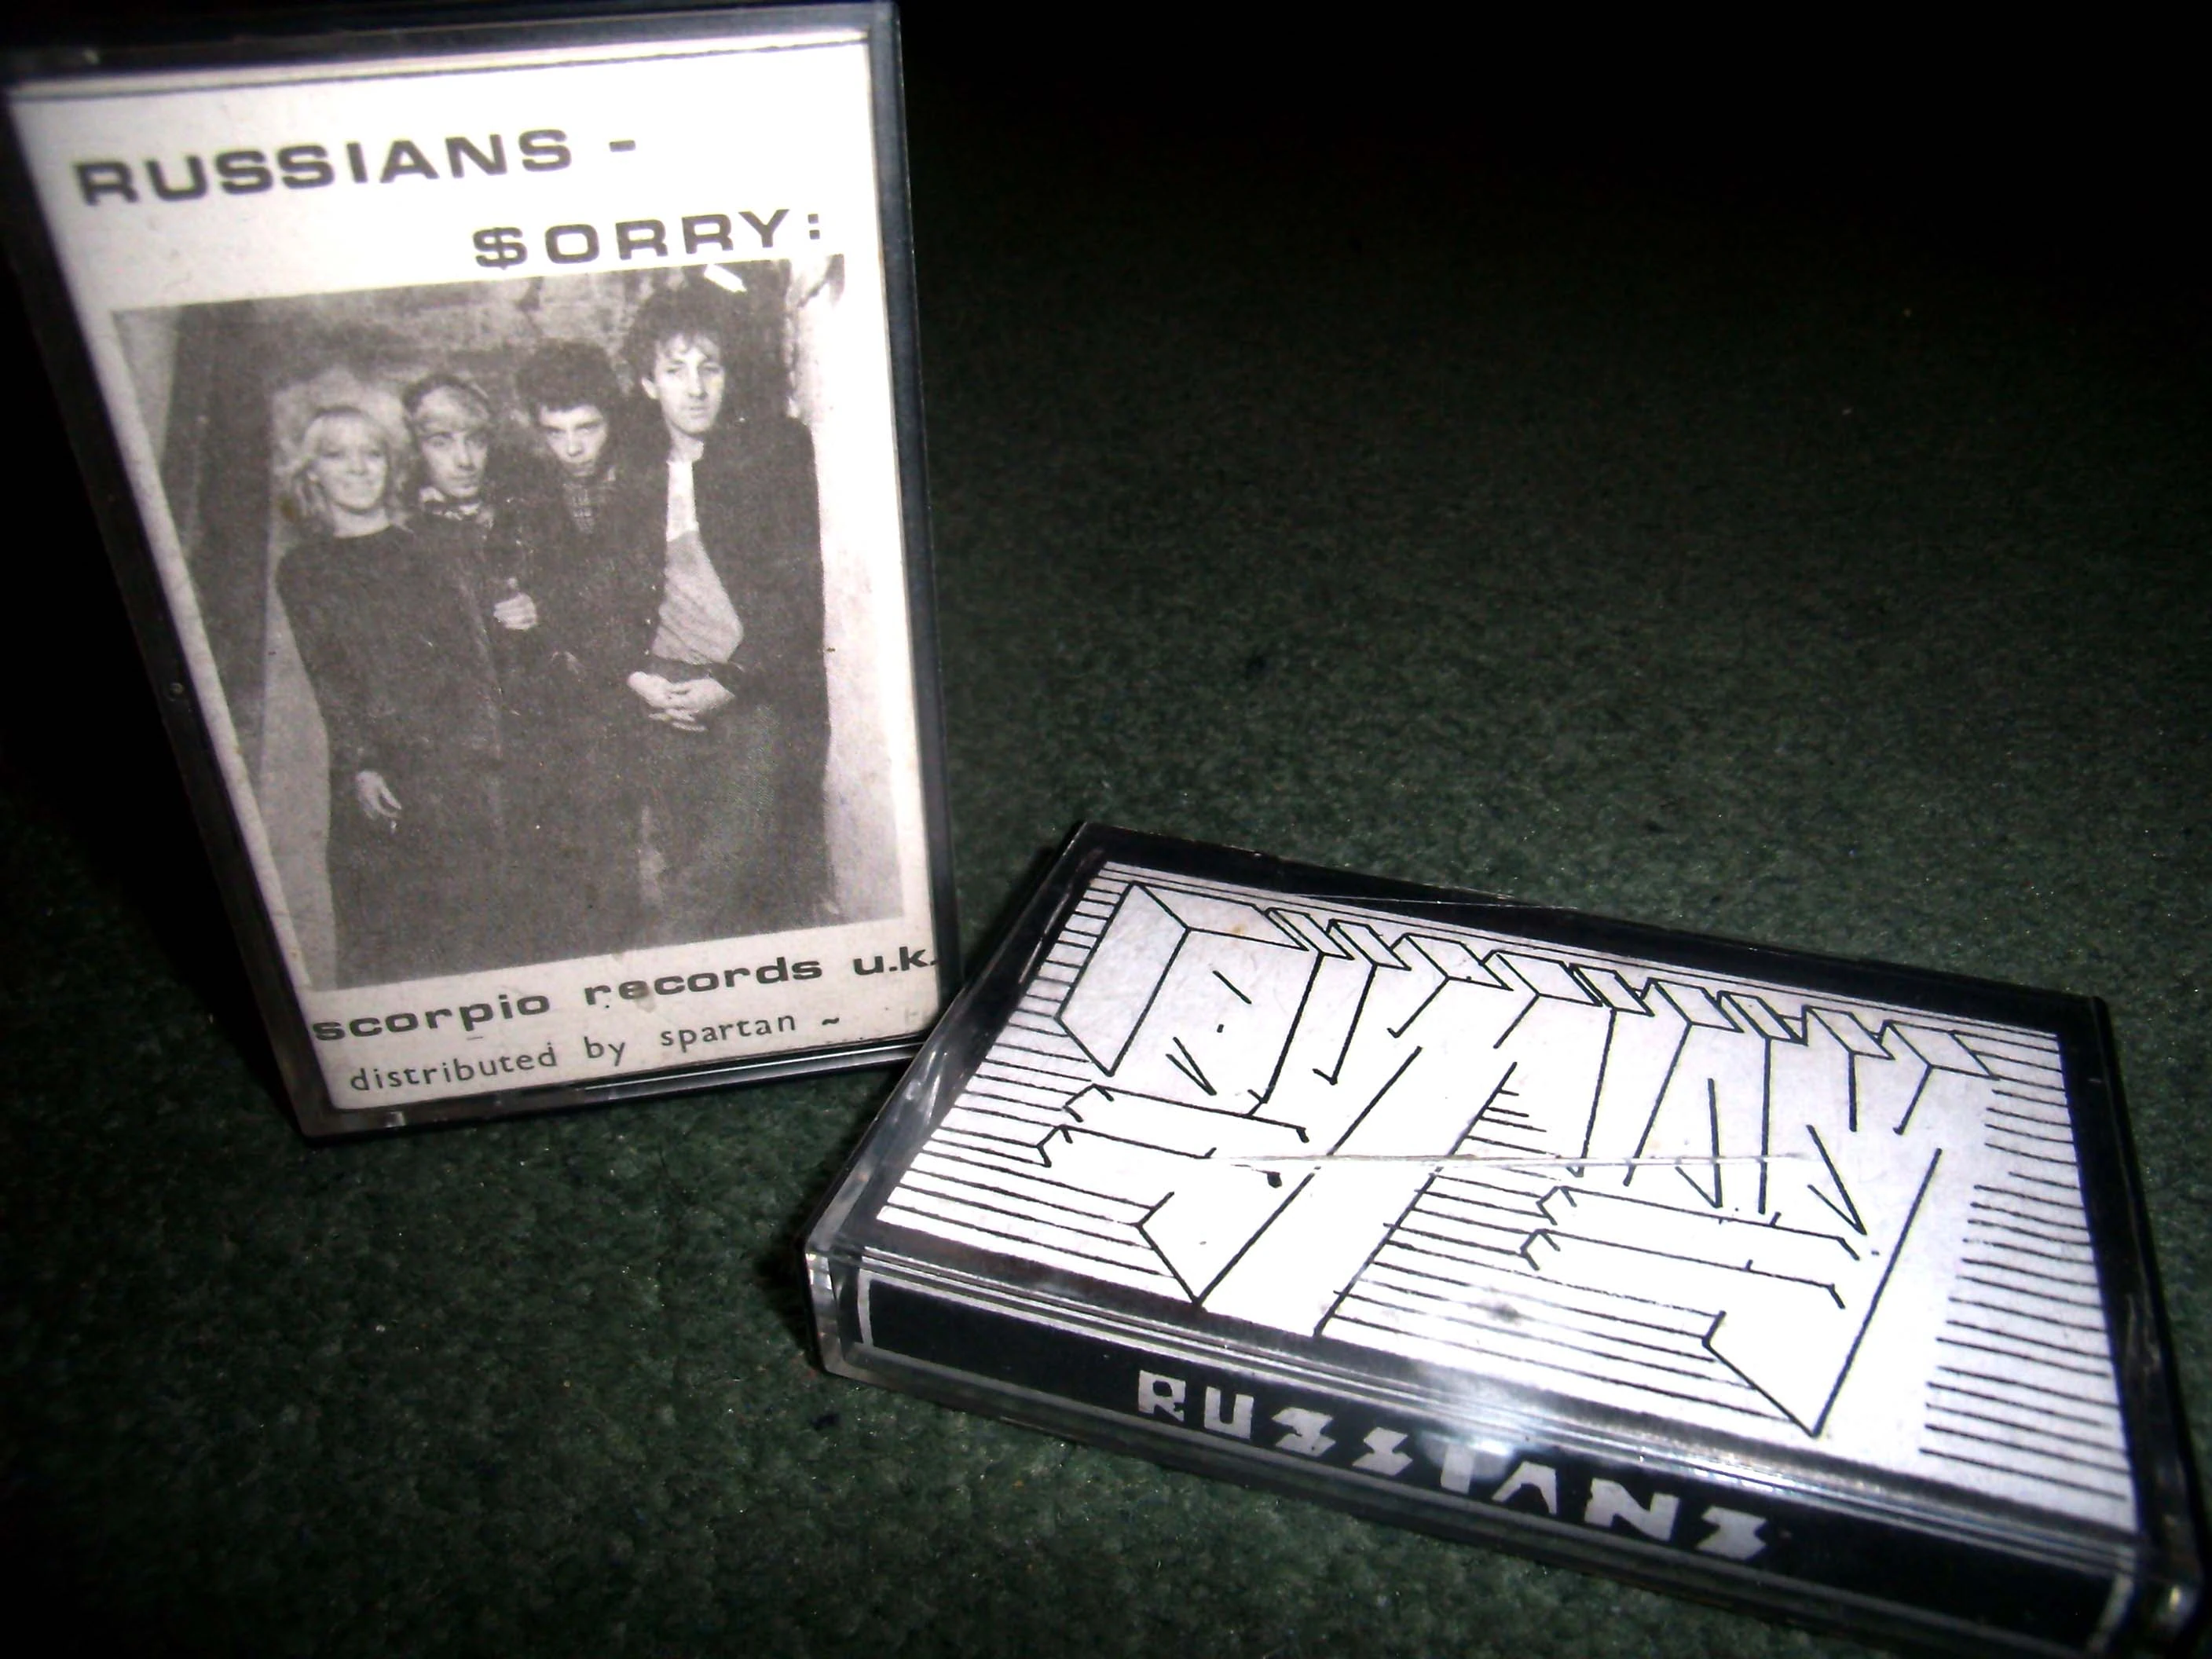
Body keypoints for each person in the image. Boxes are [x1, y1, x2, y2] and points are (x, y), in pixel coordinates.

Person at [600, 284, 830, 944]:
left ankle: (652, 968)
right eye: (675, 371)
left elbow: (799, 594)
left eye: (711, 368)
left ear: (731, 374)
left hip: (747, 687)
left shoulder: (774, 457)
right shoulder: (637, 477)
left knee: (733, 858)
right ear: (649, 384)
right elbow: (609, 597)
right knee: (683, 855)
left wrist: (732, 680)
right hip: (665, 689)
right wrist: (637, 678)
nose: (696, 388)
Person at [274, 407, 505, 985]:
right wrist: (363, 764)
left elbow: (476, 662)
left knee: (475, 939)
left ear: (392, 464)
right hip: (378, 779)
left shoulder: (436, 548)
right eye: (338, 455)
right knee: (390, 944)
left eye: (372, 453)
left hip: (459, 772)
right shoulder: (303, 570)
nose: (358, 468)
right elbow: (328, 676)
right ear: (312, 472)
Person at [496, 341, 639, 958]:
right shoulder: (527, 495)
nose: (573, 448)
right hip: (572, 699)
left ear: (612, 417)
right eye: (555, 433)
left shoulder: (647, 478)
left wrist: (550, 606)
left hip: (646, 676)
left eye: (588, 428)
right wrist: (517, 605)